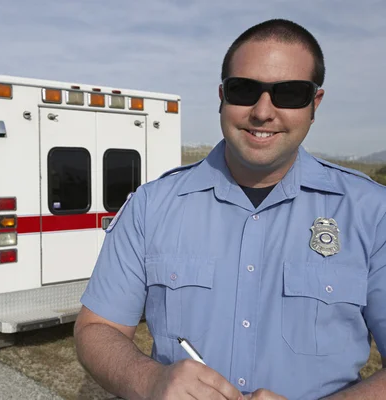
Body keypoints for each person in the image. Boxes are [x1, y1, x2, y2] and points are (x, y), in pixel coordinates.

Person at [74, 18, 386, 400]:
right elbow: (96, 329)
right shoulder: (151, 206)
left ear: (314, 104)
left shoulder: (372, 213)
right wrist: (148, 380)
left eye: (289, 93)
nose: (263, 111)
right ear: (222, 96)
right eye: (244, 90)